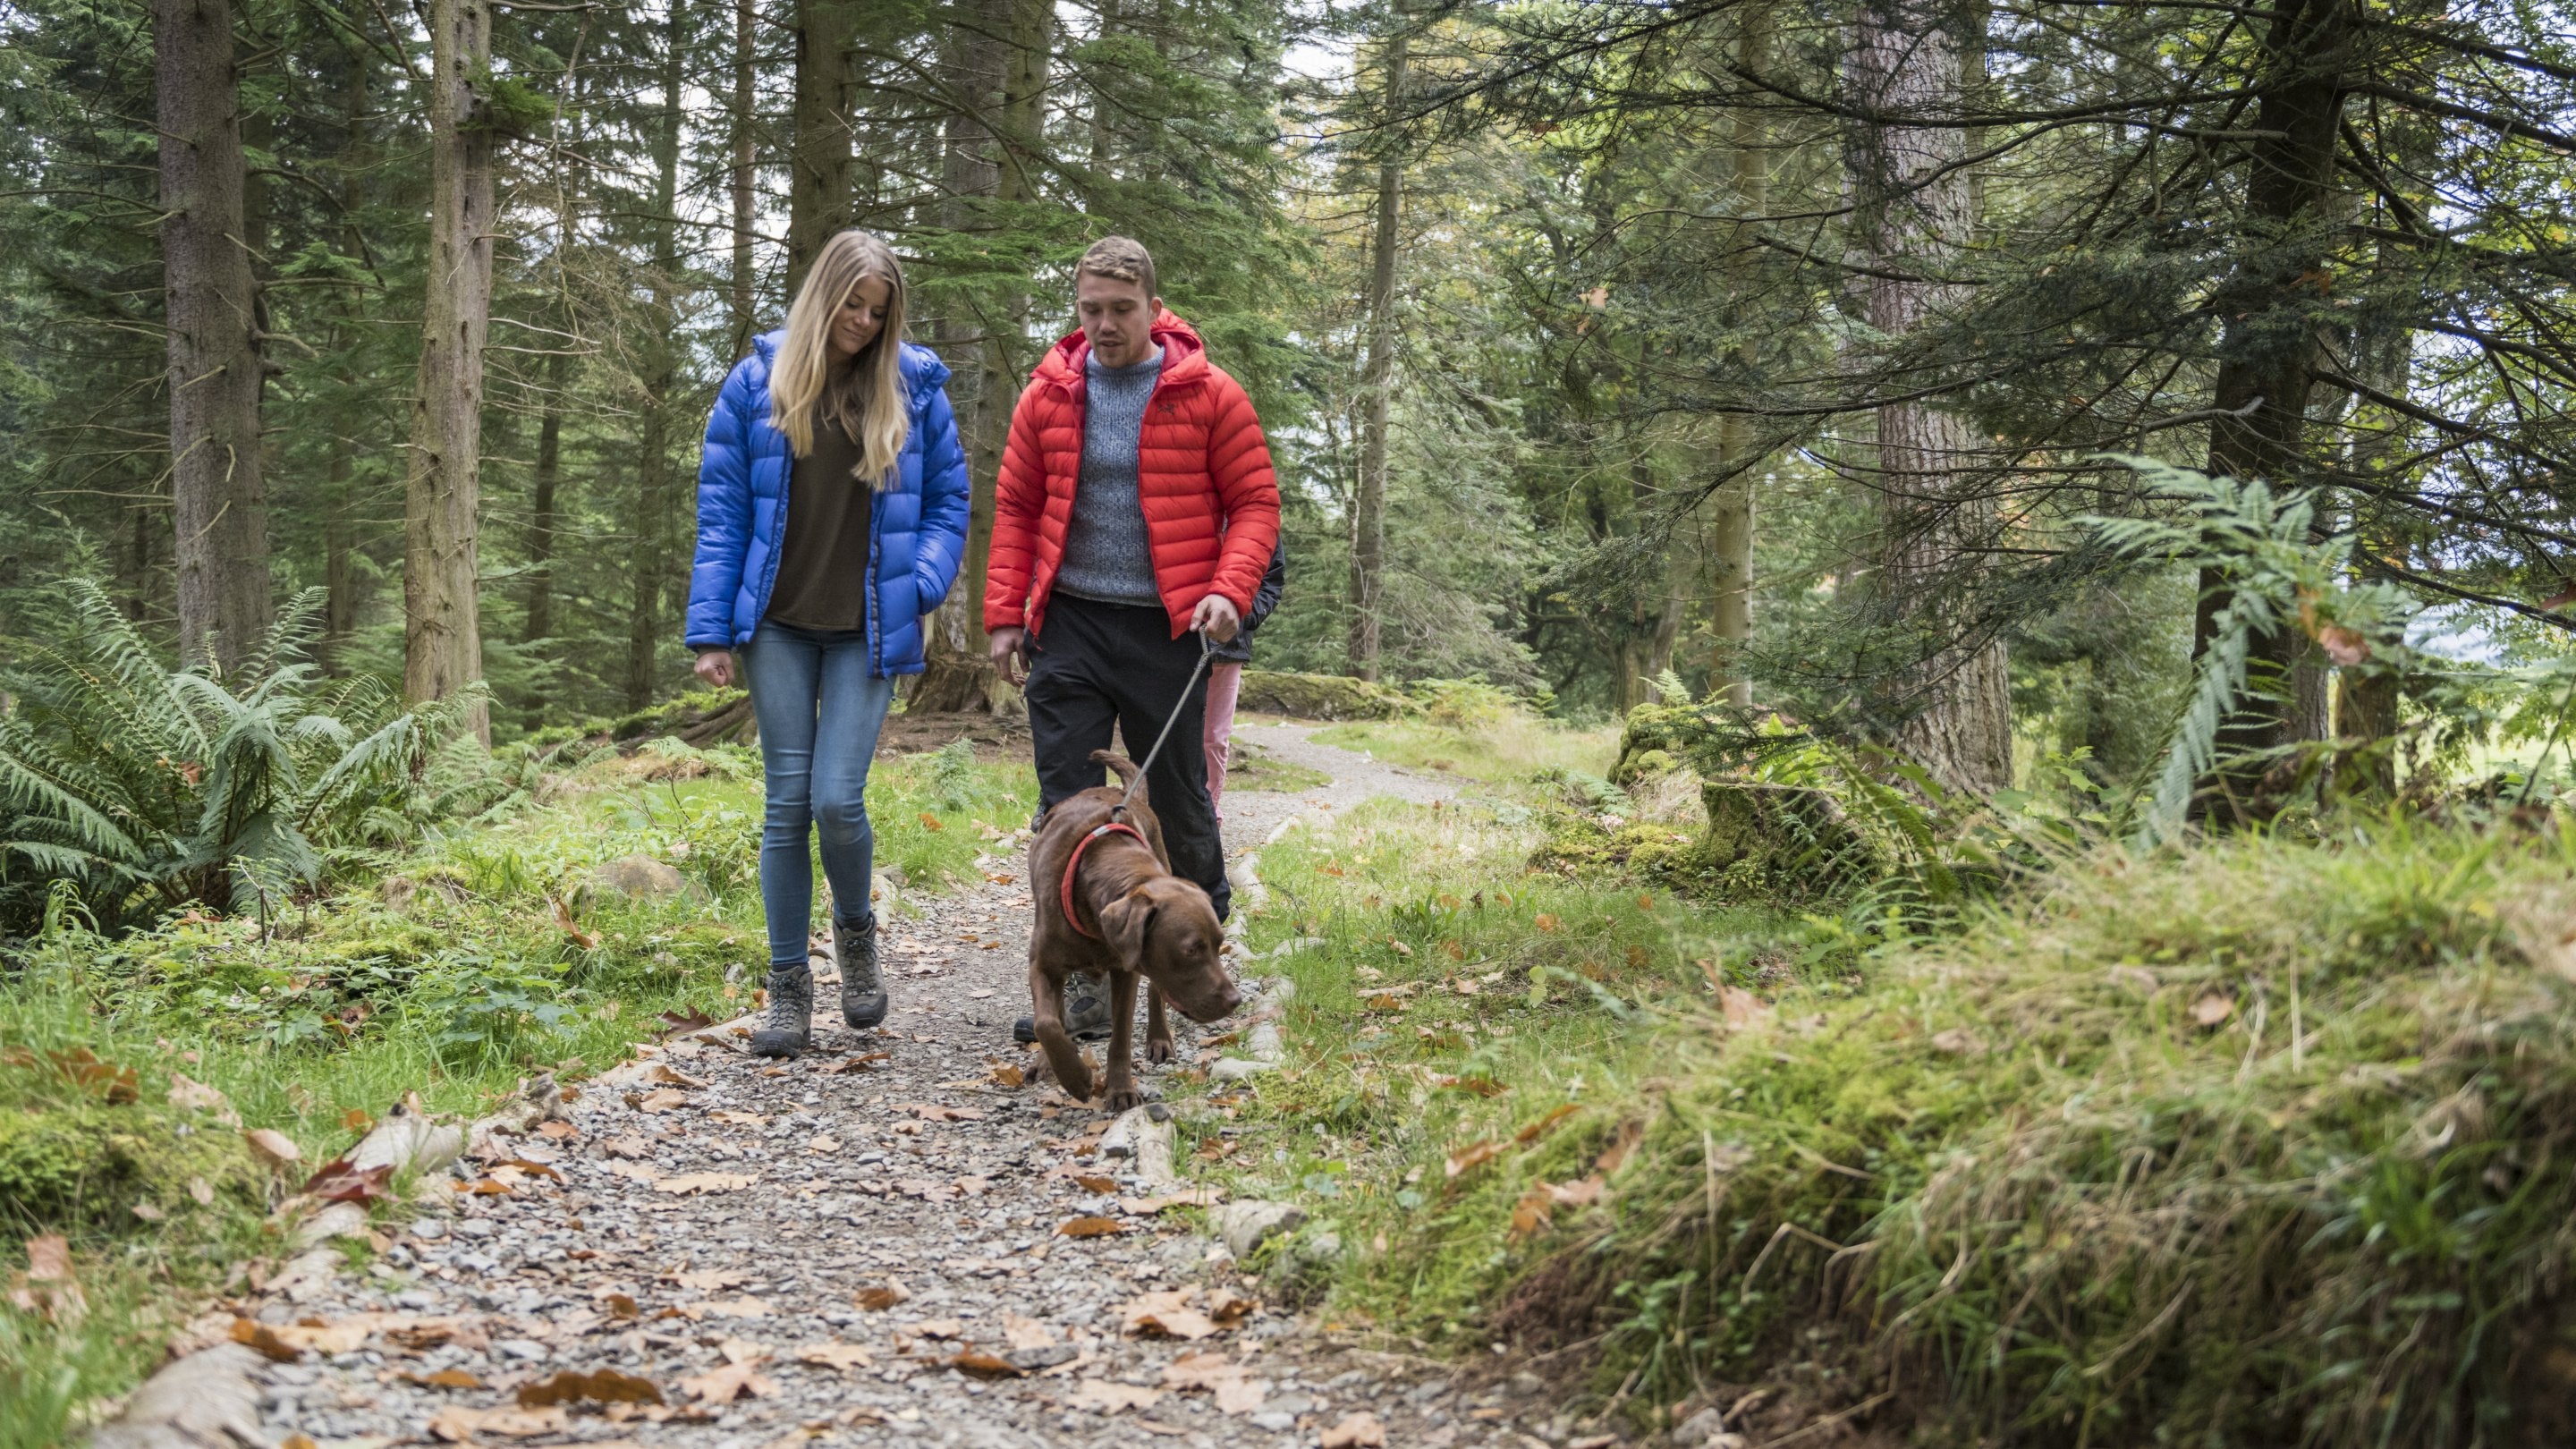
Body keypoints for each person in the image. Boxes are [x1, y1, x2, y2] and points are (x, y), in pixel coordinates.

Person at [984, 235, 1282, 1043]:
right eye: (1092, 310)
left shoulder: (1209, 393)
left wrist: (1229, 591)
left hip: (1166, 626)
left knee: (1180, 800)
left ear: (1154, 306)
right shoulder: (1048, 394)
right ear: (1077, 309)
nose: (1106, 324)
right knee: (1065, 805)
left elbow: (1255, 503)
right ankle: (1079, 972)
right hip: (1071, 622)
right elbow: (1014, 507)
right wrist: (1007, 613)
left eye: (1121, 309)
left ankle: (1204, 952)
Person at [684, 230, 970, 1058]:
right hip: (776, 624)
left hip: (867, 627)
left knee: (837, 800)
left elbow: (951, 503)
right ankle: (786, 988)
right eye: (852, 304)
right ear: (823, 297)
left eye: (879, 312)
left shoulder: (914, 389)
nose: (863, 322)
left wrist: (919, 585)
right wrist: (712, 630)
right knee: (785, 806)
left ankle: (855, 935)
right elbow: (724, 511)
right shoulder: (755, 386)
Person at [1204, 538, 1285, 820]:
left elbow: (1272, 581)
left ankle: (1209, 814)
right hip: (1175, 643)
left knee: (1214, 737)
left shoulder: (1259, 521)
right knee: (1167, 730)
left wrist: (1242, 615)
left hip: (1229, 650)